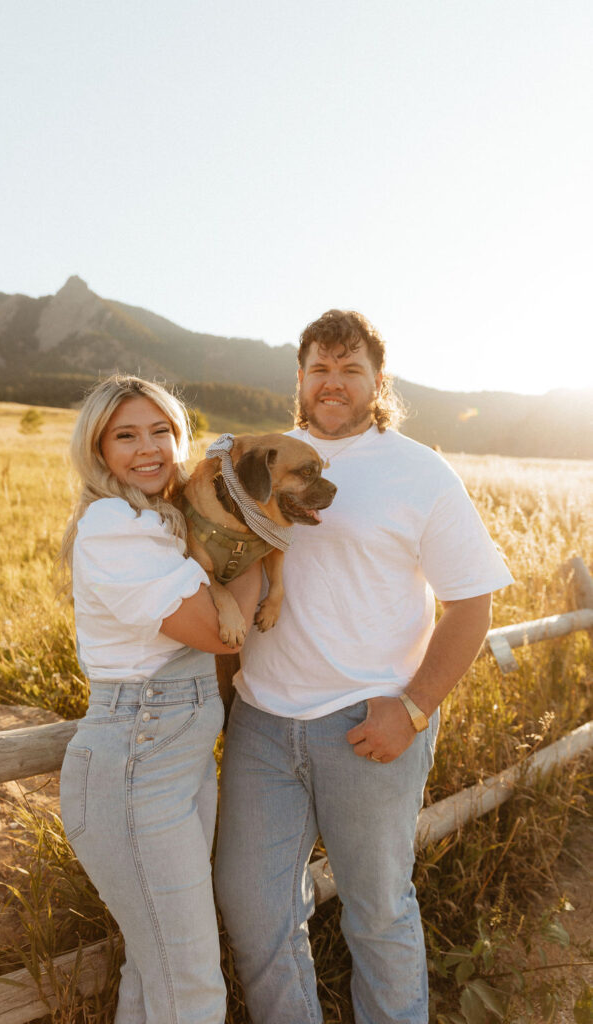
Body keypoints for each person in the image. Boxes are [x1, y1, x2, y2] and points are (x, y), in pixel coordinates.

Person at [214, 310, 513, 1024]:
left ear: (378, 381)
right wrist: (226, 706)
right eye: (319, 367)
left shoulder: (419, 472)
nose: (332, 381)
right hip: (261, 720)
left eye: (350, 369)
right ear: (299, 378)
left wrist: (410, 709)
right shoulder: (253, 461)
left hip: (368, 724)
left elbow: (471, 606)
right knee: (254, 911)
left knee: (377, 911)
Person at [58, 374, 261, 1024]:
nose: (148, 449)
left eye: (162, 432)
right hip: (134, 770)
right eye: (126, 435)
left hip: (176, 763)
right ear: (98, 449)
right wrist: (262, 537)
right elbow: (211, 630)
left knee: (156, 977)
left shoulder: (159, 520)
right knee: (193, 990)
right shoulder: (113, 525)